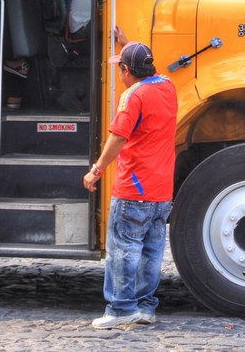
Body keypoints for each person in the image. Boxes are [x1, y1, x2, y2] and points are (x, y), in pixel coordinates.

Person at [83, 39, 178, 330]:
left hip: (134, 188)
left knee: (124, 250)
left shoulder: (133, 96)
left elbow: (119, 137)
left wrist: (96, 170)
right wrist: (127, 43)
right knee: (151, 251)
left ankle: (122, 308)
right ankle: (145, 307)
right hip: (161, 190)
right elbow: (143, 65)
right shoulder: (167, 87)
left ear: (126, 70)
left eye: (121, 68)